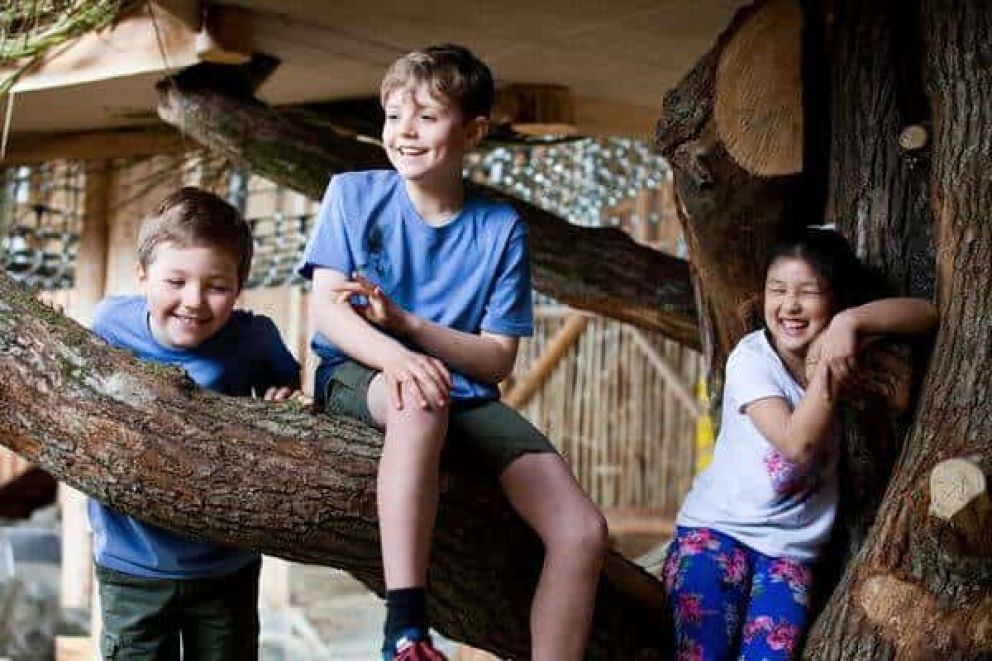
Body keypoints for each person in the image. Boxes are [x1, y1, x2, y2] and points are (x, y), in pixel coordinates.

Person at [298, 44, 608, 661]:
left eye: (427, 117)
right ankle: (405, 626)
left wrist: (409, 325)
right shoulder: (353, 195)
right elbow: (328, 310)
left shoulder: (500, 228)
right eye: (393, 116)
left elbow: (496, 360)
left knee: (582, 531)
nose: (404, 132)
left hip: (462, 394)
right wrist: (395, 357)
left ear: (473, 131)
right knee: (420, 402)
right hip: (360, 374)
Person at [662, 227, 937, 660]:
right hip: (715, 534)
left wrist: (850, 322)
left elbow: (926, 314)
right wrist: (827, 368)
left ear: (835, 299)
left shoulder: (843, 340)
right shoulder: (751, 360)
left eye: (808, 292)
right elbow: (796, 444)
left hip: (788, 555)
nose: (790, 305)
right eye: (778, 290)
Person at [89, 187, 301, 660]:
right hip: (132, 562)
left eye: (216, 287)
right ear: (142, 277)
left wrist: (282, 398)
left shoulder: (254, 339)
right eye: (175, 281)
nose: (194, 301)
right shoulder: (109, 325)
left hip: (226, 563)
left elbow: (286, 382)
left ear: (239, 287)